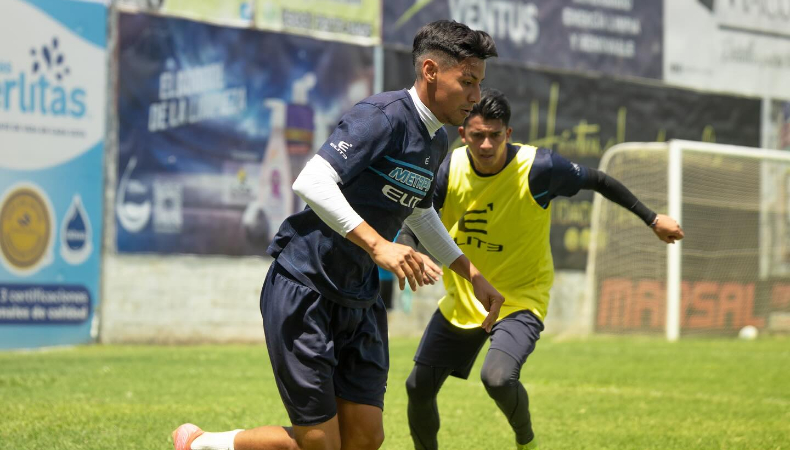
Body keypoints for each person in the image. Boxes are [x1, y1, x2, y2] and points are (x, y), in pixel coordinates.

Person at [172, 20, 504, 450]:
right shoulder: (382, 117)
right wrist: (379, 245)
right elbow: (311, 181)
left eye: (479, 83)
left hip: (359, 297)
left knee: (365, 438)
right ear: (430, 71)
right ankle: (201, 444)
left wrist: (471, 273)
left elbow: (420, 212)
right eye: (468, 81)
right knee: (321, 445)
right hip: (306, 288)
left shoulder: (437, 141)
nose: (476, 96)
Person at [397, 89, 685, 450]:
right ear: (463, 134)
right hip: (465, 300)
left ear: (508, 134)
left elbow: (597, 180)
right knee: (418, 387)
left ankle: (526, 442)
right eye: (477, 135)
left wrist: (653, 219)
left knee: (498, 379)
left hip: (520, 300)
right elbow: (419, 217)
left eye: (495, 135)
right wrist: (405, 247)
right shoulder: (448, 169)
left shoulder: (539, 168)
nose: (486, 145)